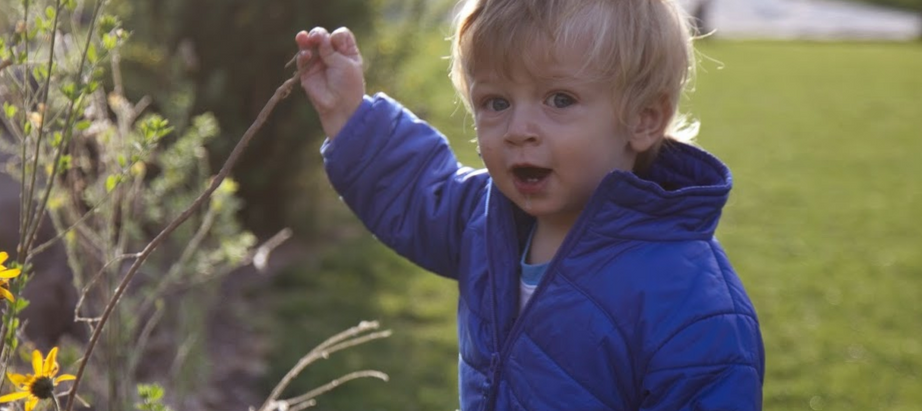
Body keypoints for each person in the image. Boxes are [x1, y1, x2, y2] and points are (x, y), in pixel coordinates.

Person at [293, 0, 765, 409]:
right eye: (496, 102)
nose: (519, 129)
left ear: (643, 119)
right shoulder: (489, 219)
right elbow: (420, 192)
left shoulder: (691, 302)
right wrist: (349, 114)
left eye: (559, 99)